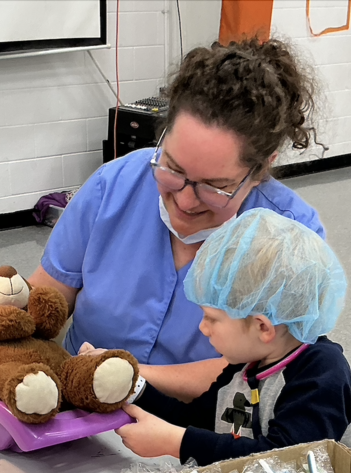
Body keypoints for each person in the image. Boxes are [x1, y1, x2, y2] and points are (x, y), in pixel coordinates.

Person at [29, 38, 323, 399]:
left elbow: (265, 372)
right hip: (75, 402)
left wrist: (125, 378)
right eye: (172, 168)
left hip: (197, 428)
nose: (184, 200)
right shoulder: (114, 185)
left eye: (215, 187)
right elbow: (47, 297)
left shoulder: (291, 238)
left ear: (262, 168)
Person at [115, 208, 351, 466]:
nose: (203, 328)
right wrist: (133, 386)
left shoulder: (321, 371)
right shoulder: (244, 365)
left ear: (262, 327)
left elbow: (287, 460)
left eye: (212, 318)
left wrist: (178, 443)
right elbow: (195, 420)